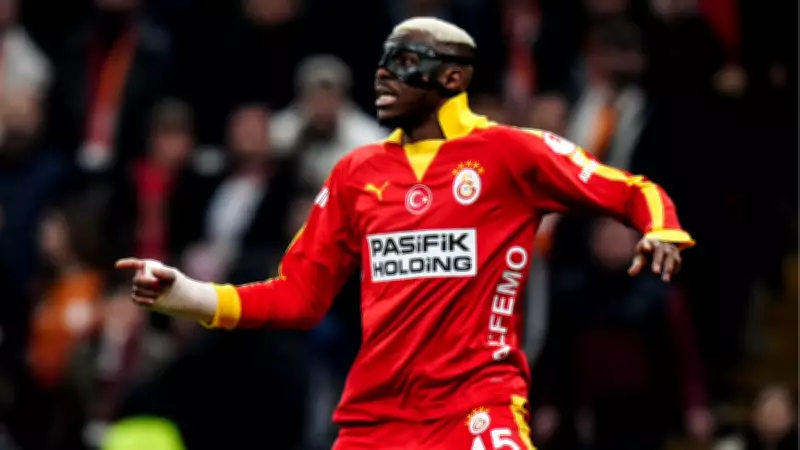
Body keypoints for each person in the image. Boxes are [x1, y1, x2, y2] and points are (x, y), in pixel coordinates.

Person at [116, 17, 694, 450]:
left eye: (405, 61)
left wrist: (661, 228)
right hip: (376, 420)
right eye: (384, 60)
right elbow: (298, 295)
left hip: (476, 408)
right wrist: (189, 295)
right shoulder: (355, 173)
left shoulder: (512, 154)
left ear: (453, 77)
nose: (383, 74)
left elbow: (629, 188)